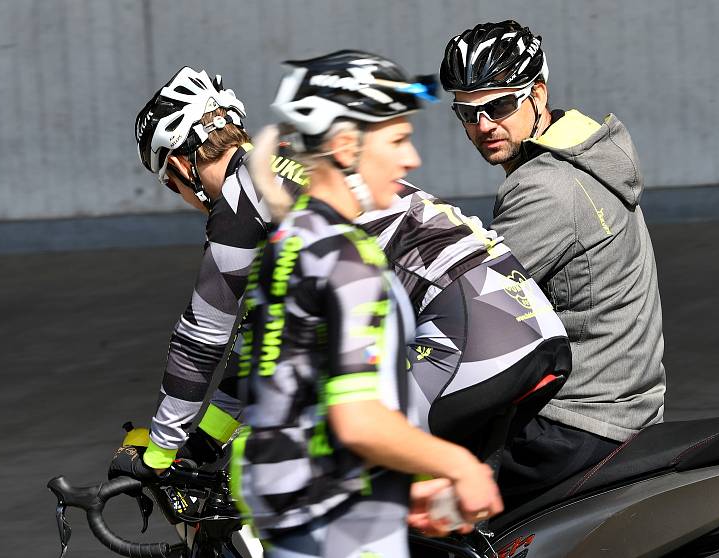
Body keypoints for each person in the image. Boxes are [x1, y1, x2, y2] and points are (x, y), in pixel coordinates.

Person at [232, 50, 503, 557]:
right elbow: (357, 421)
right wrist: (458, 465)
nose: (411, 160)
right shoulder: (347, 259)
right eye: (397, 140)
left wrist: (405, 486)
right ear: (344, 146)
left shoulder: (293, 241)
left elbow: (305, 403)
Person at [440, 19, 667, 505]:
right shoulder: (586, 155)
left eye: (498, 106)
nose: (483, 126)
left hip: (576, 420)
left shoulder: (544, 187)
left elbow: (462, 292)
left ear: (536, 94)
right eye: (466, 113)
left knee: (414, 489)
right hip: (627, 401)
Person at [109, 65, 306, 482]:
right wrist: (205, 441)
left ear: (181, 165)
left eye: (168, 183)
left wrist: (159, 452)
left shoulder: (242, 196)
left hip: (442, 329)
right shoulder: (295, 158)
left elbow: (201, 339)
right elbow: (265, 339)